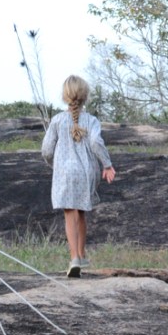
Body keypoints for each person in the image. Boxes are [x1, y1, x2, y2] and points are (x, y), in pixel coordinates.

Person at [41, 75, 115, 277]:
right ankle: (81, 254)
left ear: (65, 96)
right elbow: (96, 143)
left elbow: (47, 150)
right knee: (81, 212)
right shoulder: (91, 120)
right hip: (86, 171)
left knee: (69, 214)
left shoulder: (57, 120)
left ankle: (74, 257)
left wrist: (53, 164)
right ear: (85, 95)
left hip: (65, 172)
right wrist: (107, 165)